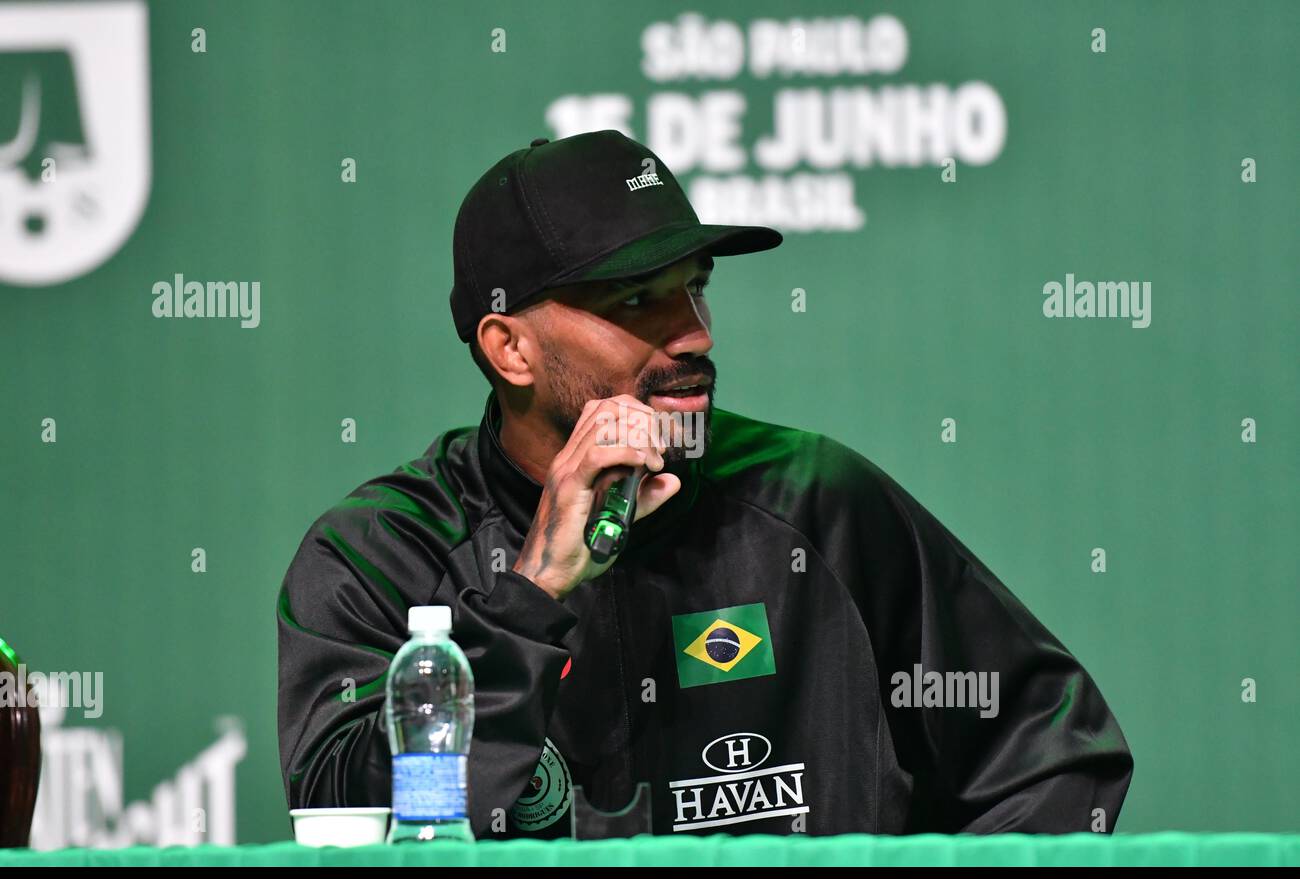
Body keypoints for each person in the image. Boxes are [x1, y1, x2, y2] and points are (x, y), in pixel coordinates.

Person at [276, 130, 1133, 838]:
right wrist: (532, 596)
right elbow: (347, 821)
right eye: (638, 302)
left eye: (694, 289)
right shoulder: (382, 552)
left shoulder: (813, 501)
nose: (694, 334)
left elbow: (1053, 749)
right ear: (511, 350)